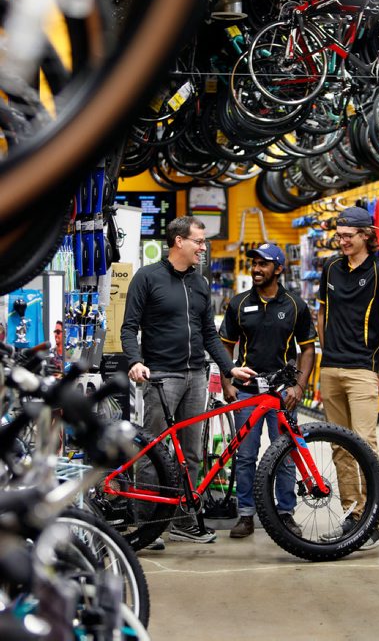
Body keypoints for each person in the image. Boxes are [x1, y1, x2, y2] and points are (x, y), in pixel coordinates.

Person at [120, 215, 255, 544]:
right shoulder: (147, 277)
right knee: (154, 451)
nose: (203, 247)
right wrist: (136, 362)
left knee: (191, 453)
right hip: (162, 376)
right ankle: (148, 527)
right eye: (198, 241)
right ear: (179, 241)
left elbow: (210, 334)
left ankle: (183, 521)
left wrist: (228, 368)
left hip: (196, 375)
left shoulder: (199, 282)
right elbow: (128, 328)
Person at [317, 206, 379, 550]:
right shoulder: (330, 267)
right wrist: (327, 357)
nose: (341, 241)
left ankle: (373, 521)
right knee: (339, 448)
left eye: (347, 236)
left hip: (362, 371)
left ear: (366, 236)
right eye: (338, 235)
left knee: (365, 445)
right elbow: (323, 312)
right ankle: (353, 517)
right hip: (331, 370)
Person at [220, 243, 317, 539]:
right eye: (254, 264)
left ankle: (285, 513)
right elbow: (226, 345)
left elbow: (308, 349)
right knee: (246, 456)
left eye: (263, 264)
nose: (256, 269)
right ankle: (246, 515)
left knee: (285, 455)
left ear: (278, 269)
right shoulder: (237, 303)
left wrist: (299, 386)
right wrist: (227, 382)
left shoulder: (296, 305)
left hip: (282, 393)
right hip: (247, 391)